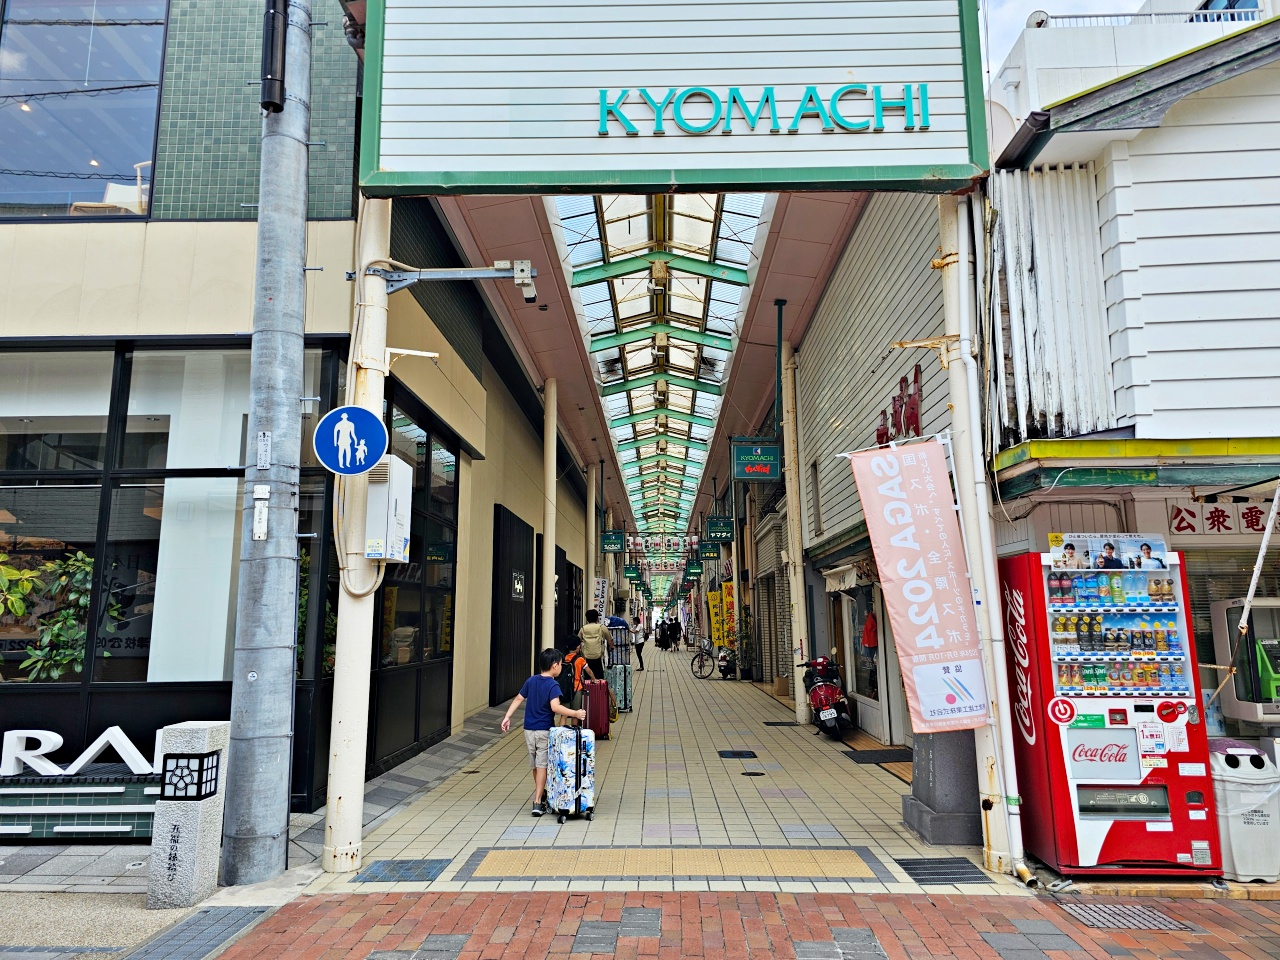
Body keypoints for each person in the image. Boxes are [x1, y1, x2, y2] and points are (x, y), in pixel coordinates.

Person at [500, 648, 587, 817]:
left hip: (528, 730)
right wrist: (575, 713)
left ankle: (542, 793)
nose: (561, 667)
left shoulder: (531, 681)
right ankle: (538, 801)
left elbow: (518, 698)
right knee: (542, 766)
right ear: (554, 666)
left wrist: (507, 717)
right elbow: (555, 707)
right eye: (561, 664)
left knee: (535, 765)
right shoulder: (553, 685)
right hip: (543, 731)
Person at [578, 609, 608, 680]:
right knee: (599, 677)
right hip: (598, 656)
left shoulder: (583, 629)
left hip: (586, 657)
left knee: (588, 678)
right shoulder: (601, 627)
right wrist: (612, 646)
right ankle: (599, 689)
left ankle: (589, 690)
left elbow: (578, 640)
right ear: (597, 618)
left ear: (587, 619)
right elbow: (610, 639)